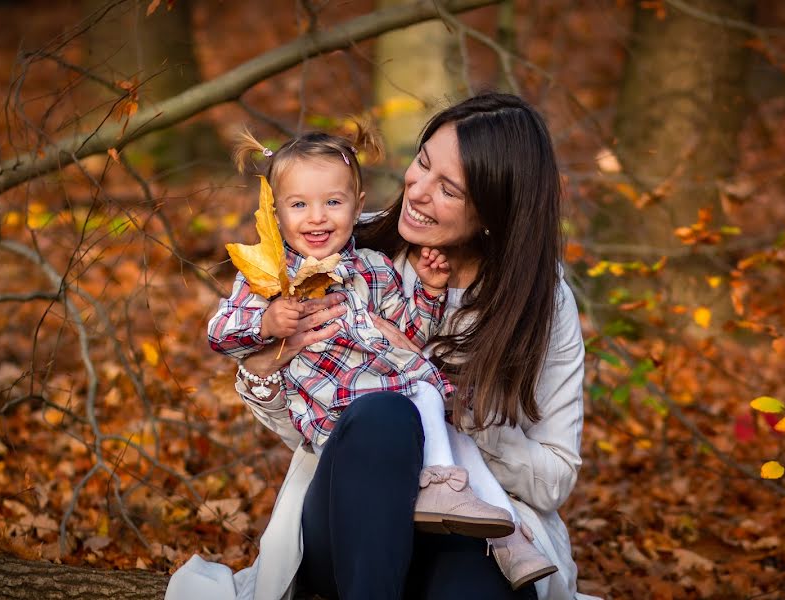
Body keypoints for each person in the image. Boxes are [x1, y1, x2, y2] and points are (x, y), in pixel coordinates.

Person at [166, 93, 589, 600]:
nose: (416, 189)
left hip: (475, 524)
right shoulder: (343, 245)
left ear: (494, 211)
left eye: (448, 188)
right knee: (384, 415)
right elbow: (317, 428)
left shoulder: (542, 304)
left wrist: (444, 400)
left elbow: (554, 480)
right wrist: (263, 364)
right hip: (350, 519)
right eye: (423, 162)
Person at [206, 125, 544, 561]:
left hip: (399, 402)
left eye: (333, 202)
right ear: (274, 213)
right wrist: (267, 323)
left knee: (434, 405)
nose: (317, 217)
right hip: (344, 423)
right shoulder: (268, 276)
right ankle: (495, 531)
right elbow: (220, 332)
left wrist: (430, 291)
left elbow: (412, 331)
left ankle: (498, 533)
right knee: (408, 419)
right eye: (298, 205)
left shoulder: (373, 268)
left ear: (357, 205)